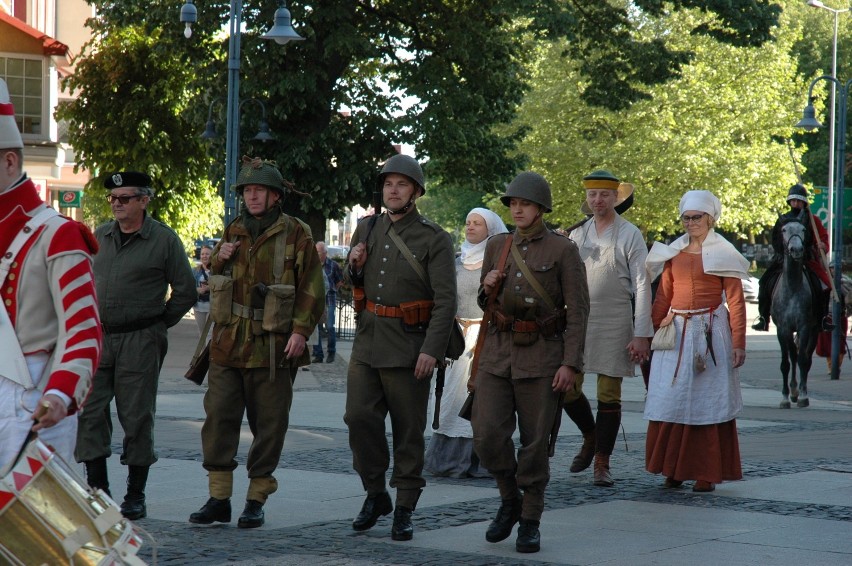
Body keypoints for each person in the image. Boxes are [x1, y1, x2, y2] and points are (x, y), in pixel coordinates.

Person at [189, 157, 324, 529]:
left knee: (270, 424)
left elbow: (313, 286)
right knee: (218, 418)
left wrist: (300, 332)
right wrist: (219, 256)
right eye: (247, 190)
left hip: (273, 347)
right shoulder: (234, 229)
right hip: (228, 343)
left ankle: (256, 497)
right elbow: (217, 272)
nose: (252, 196)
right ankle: (218, 498)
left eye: (259, 190)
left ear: (275, 195)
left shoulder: (296, 232)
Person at [472, 171, 589, 554]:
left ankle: (530, 519)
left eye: (524, 203)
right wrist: (486, 287)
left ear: (541, 208)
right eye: (513, 204)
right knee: (487, 434)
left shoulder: (562, 250)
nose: (517, 209)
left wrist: (570, 364)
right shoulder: (498, 245)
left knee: (536, 443)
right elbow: (484, 304)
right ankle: (509, 499)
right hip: (497, 353)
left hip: (542, 356)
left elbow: (579, 312)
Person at [344, 154, 457, 542]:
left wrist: (431, 349)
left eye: (402, 184)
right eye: (388, 184)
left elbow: (446, 301)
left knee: (408, 431)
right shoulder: (367, 227)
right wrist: (354, 266)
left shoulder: (434, 237)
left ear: (416, 192)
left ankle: (405, 507)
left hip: (410, 347)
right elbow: (352, 285)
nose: (393, 190)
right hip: (367, 342)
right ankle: (376, 495)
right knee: (358, 420)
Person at [76, 170, 196, 520]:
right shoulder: (101, 235)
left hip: (140, 339)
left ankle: (135, 495)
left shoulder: (163, 240)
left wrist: (157, 324)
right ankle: (99, 492)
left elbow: (186, 290)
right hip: (100, 338)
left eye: (124, 198)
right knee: (90, 412)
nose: (116, 204)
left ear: (144, 201)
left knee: (137, 416)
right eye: (113, 199)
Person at [0, 78, 101, 471]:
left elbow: (83, 329)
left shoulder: (58, 234)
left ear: (9, 161)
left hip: (33, 401)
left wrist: (61, 393)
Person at [644, 190, 748, 493]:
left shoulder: (725, 254)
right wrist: (648, 334)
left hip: (710, 334)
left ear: (710, 218)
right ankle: (674, 469)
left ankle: (706, 471)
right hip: (676, 333)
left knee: (707, 402)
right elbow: (663, 295)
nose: (691, 223)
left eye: (697, 217)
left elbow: (736, 302)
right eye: (687, 218)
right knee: (673, 400)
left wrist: (739, 343)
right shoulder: (672, 253)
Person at [566, 170, 653, 487]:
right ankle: (590, 435)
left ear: (616, 197)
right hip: (580, 318)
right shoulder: (577, 234)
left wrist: (642, 333)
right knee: (566, 387)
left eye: (604, 194)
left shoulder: (631, 234)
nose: (597, 200)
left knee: (608, 393)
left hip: (616, 317)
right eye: (592, 195)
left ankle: (602, 461)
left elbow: (643, 285)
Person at [424, 207, 506, 479]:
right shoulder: (455, 261)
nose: (470, 227)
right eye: (468, 222)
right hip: (455, 338)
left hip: (485, 338)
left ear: (490, 230)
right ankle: (446, 460)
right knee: (449, 400)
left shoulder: (498, 263)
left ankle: (480, 461)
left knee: (480, 401)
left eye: (477, 224)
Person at [753, 184, 833, 332]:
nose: (796, 203)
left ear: (804, 202)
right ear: (789, 202)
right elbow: (776, 239)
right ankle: (763, 317)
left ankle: (823, 318)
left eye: (799, 201)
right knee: (764, 282)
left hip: (807, 259)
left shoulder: (812, 220)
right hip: (783, 259)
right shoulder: (783, 219)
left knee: (824, 285)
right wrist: (782, 252)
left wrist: (822, 245)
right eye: (793, 201)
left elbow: (822, 237)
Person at [312, 241, 344, 363]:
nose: (315, 254)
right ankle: (318, 354)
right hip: (317, 300)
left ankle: (331, 351)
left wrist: (335, 288)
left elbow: (341, 279)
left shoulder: (333, 265)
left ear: (325, 253)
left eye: (318, 252)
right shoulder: (313, 265)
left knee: (330, 326)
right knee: (317, 327)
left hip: (329, 298)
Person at [193, 244, 213, 337]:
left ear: (212, 255)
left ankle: (208, 352)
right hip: (199, 306)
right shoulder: (195, 270)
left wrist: (210, 288)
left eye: (207, 254)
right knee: (202, 334)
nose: (204, 256)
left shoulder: (217, 270)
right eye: (202, 254)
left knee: (209, 334)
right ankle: (202, 352)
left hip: (213, 306)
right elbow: (189, 286)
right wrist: (197, 290)